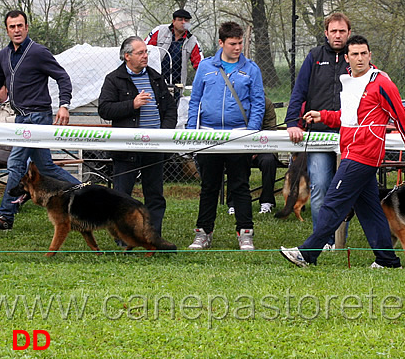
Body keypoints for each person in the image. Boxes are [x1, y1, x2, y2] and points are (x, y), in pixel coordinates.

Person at [280, 35, 405, 268]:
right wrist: (322, 115)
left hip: (364, 154)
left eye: (363, 53)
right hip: (351, 151)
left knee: (333, 202)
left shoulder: (381, 82)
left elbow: (400, 116)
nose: (360, 58)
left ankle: (307, 253)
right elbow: (348, 119)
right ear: (347, 58)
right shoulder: (349, 81)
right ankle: (387, 260)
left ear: (370, 55)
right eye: (354, 54)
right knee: (369, 210)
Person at [0, 10, 80, 230]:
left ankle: (5, 216)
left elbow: (62, 77)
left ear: (27, 27)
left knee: (15, 163)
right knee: (46, 167)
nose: (16, 30)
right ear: (7, 30)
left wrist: (64, 105)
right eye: (12, 27)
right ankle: (87, 191)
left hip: (37, 117)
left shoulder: (38, 52)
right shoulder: (3, 55)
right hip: (20, 118)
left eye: (20, 26)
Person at [187, 21, 265, 251]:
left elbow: (258, 103)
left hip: (239, 136)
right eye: (233, 43)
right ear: (221, 43)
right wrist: (192, 131)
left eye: (241, 43)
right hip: (208, 136)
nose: (238, 47)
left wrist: (251, 133)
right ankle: (203, 232)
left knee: (240, 186)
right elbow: (195, 100)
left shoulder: (252, 69)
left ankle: (245, 233)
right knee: (209, 186)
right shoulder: (205, 67)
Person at [98, 36, 178, 239]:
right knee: (122, 197)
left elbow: (170, 108)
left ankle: (152, 236)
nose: (145, 56)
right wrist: (131, 105)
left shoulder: (155, 77)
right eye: (140, 52)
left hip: (154, 147)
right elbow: (105, 109)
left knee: (155, 196)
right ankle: (123, 238)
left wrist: (164, 132)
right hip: (126, 149)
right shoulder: (113, 79)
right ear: (127, 56)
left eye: (146, 52)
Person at [284, 13, 351, 240]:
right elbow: (299, 91)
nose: (338, 35)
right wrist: (293, 123)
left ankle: (339, 239)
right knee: (321, 186)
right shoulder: (314, 57)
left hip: (348, 135)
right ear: (326, 33)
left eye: (342, 31)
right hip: (318, 135)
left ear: (348, 33)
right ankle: (322, 240)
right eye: (333, 31)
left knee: (342, 189)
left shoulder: (357, 57)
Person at [227, 94, 279, 215]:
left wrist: (256, 148)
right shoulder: (233, 102)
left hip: (262, 147)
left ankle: (267, 202)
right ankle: (233, 203)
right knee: (233, 159)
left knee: (269, 161)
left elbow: (270, 130)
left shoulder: (266, 103)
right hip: (238, 146)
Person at [145, 9, 204, 103]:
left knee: (172, 112)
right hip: (154, 80)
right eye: (180, 19)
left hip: (177, 84)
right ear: (173, 21)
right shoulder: (159, 31)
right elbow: (145, 49)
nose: (183, 22)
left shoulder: (192, 41)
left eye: (187, 20)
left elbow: (200, 65)